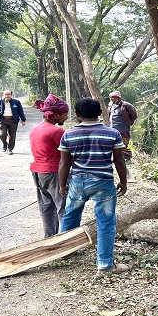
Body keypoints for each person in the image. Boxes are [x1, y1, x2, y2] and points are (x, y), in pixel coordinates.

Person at [58, 98, 130, 275]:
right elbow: (119, 161)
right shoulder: (112, 134)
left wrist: (62, 185)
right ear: (100, 113)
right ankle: (105, 265)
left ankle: (65, 252)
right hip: (103, 182)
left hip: (78, 181)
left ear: (77, 115)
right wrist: (123, 181)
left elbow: (64, 164)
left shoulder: (68, 134)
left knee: (70, 216)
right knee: (105, 222)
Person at [30, 94, 70, 238]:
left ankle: (49, 238)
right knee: (63, 208)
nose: (66, 117)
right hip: (54, 173)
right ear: (55, 114)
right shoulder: (57, 131)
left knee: (46, 207)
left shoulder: (35, 129)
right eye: (65, 114)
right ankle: (65, 243)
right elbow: (68, 154)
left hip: (38, 173)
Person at [0, 90, 26, 155]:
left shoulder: (16, 102)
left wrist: (23, 120)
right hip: (2, 120)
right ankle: (5, 144)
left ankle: (10, 149)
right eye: (5, 94)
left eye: (8, 94)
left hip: (13, 121)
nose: (7, 96)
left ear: (11, 95)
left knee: (12, 135)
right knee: (2, 135)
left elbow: (20, 111)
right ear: (3, 95)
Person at [107, 91, 137, 162]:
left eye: (113, 98)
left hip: (123, 129)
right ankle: (116, 159)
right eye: (110, 98)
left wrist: (129, 122)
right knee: (114, 144)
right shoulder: (110, 105)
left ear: (118, 98)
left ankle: (127, 159)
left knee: (124, 144)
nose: (111, 100)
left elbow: (134, 115)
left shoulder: (126, 105)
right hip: (113, 129)